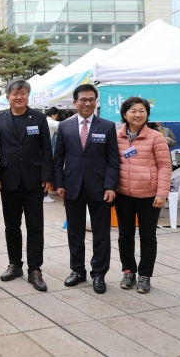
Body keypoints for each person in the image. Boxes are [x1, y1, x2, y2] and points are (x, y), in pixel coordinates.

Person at [53, 84, 119, 295]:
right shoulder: (65, 126)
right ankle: (77, 270)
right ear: (75, 102)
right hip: (72, 186)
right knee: (75, 232)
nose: (87, 103)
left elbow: (113, 160)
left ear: (96, 102)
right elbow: (58, 159)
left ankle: (98, 273)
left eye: (91, 99)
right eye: (83, 99)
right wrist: (59, 183)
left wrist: (110, 185)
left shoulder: (107, 126)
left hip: (99, 187)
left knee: (101, 233)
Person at [0, 79, 53, 292]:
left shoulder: (39, 118)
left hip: (34, 181)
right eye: (15, 93)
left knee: (35, 227)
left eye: (23, 93)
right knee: (12, 226)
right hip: (9, 180)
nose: (19, 97)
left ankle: (35, 270)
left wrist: (47, 176)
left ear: (28, 96)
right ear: (8, 97)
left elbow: (46, 149)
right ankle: (15, 264)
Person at [115, 97, 171, 294]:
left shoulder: (156, 137)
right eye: (133, 111)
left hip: (149, 195)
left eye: (142, 111)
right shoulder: (117, 137)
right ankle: (128, 271)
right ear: (124, 114)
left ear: (147, 114)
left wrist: (162, 193)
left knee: (147, 236)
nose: (137, 114)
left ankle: (145, 275)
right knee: (125, 235)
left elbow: (165, 166)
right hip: (123, 195)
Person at [44, 107, 61, 203]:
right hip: (47, 148)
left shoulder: (44, 120)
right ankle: (44, 194)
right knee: (47, 170)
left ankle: (44, 194)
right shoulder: (50, 121)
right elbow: (63, 125)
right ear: (55, 114)